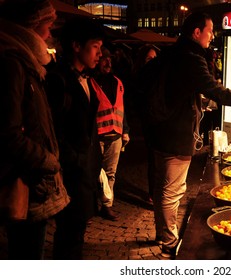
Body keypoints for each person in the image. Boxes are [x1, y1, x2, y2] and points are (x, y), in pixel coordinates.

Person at [146, 12, 231, 259]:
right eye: (209, 31)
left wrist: (199, 101)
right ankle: (168, 241)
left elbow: (181, 90)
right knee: (172, 189)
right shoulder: (191, 57)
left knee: (162, 186)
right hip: (175, 133)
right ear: (196, 32)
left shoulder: (175, 53)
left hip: (161, 129)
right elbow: (219, 92)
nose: (212, 36)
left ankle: (162, 234)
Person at [0, 0, 70, 259]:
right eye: (48, 25)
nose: (50, 33)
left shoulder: (25, 61)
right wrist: (47, 160)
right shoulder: (13, 63)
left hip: (33, 180)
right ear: (30, 26)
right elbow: (6, 132)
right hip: (26, 182)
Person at [45, 17, 105, 259]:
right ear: (76, 46)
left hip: (84, 171)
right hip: (71, 173)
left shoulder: (86, 78)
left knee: (76, 233)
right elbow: (53, 131)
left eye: (101, 47)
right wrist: (78, 161)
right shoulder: (58, 80)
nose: (100, 54)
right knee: (69, 236)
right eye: (95, 47)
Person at [91, 47, 130, 221]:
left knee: (110, 173)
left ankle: (107, 206)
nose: (108, 62)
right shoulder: (91, 83)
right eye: (104, 59)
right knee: (94, 172)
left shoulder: (118, 82)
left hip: (115, 135)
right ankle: (93, 204)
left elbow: (122, 108)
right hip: (97, 136)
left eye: (110, 59)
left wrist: (125, 131)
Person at [132, 44, 160, 202]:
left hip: (160, 122)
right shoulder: (140, 79)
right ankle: (152, 193)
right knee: (154, 157)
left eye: (155, 58)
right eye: (149, 58)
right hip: (149, 122)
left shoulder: (159, 77)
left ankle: (158, 191)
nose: (153, 62)